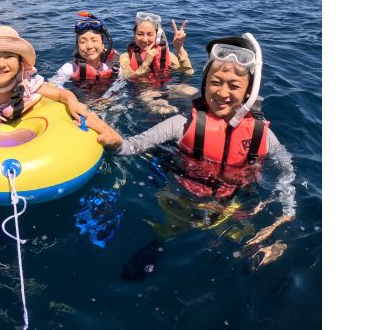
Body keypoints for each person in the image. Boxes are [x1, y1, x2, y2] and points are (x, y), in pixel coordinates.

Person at [100, 34, 296, 270]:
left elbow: (287, 174)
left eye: (234, 86)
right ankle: (159, 244)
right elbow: (135, 144)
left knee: (256, 247)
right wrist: (115, 144)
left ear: (248, 92)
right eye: (215, 82)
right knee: (167, 232)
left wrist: (285, 214)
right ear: (205, 84)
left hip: (233, 204)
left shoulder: (260, 135)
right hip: (182, 199)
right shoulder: (182, 124)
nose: (222, 93)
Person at [48, 11, 119, 88]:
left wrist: (107, 98)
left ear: (103, 45)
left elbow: (120, 85)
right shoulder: (70, 69)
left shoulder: (112, 66)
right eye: (83, 42)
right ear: (77, 47)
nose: (89, 46)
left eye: (94, 40)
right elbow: (53, 84)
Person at [119, 12, 194, 80]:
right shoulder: (126, 57)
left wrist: (180, 49)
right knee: (148, 95)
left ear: (157, 36)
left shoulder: (167, 55)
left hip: (164, 88)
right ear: (134, 35)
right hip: (139, 91)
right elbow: (129, 78)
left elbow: (188, 73)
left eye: (149, 34)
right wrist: (147, 62)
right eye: (140, 34)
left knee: (190, 90)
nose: (145, 39)